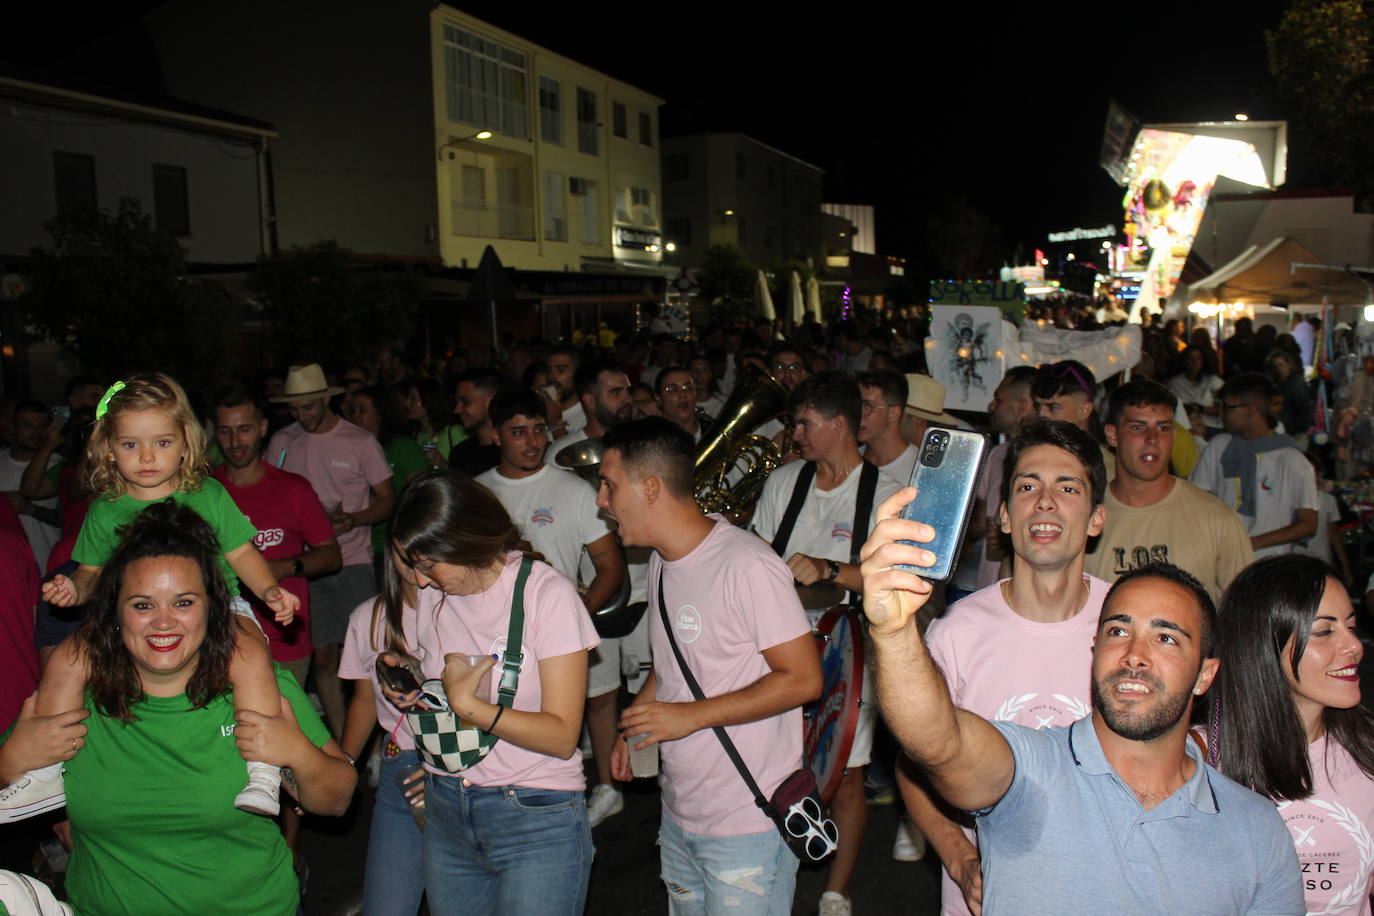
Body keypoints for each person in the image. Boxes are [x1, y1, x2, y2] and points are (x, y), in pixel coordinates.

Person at [860, 507, 1305, 913]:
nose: (1134, 654)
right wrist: (895, 632)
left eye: (1166, 638)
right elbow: (940, 743)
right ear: (1094, 651)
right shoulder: (1030, 768)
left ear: (1206, 675)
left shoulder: (1256, 832)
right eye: (1117, 630)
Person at [0, 501, 355, 915]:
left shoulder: (255, 684)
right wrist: (9, 761)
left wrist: (297, 753)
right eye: (143, 605)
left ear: (212, 607)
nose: (164, 623)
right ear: (115, 612)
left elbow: (337, 800)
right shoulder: (73, 690)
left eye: (184, 603)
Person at [8, 374, 300, 823]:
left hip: (217, 607)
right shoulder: (106, 507)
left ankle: (262, 769)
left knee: (250, 653)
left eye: (162, 442)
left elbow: (241, 552)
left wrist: (269, 591)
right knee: (66, 659)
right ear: (108, 448)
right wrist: (73, 590)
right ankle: (48, 770)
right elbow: (91, 572)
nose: (147, 457)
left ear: (186, 442)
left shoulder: (208, 494)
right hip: (130, 618)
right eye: (130, 445)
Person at [600, 418, 821, 914]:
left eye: (610, 485)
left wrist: (688, 717)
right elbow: (676, 662)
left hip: (747, 820)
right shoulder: (661, 559)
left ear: (650, 488)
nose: (601, 500)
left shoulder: (747, 565)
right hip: (681, 812)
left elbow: (804, 679)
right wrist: (637, 718)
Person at [896, 419, 1111, 916]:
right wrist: (959, 857)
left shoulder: (1127, 628)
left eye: (1068, 487)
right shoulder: (954, 632)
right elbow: (913, 763)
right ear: (1006, 518)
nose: (1045, 501)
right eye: (1028, 486)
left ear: (1096, 517)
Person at [388, 470, 600, 915]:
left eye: (429, 566)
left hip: (534, 815)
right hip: (447, 806)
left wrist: (469, 706)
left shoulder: (547, 595)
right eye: (415, 567)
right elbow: (442, 679)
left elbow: (563, 736)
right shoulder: (436, 595)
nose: (422, 582)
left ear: (464, 540)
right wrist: (408, 678)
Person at [750, 372, 902, 915]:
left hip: (849, 647)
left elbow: (898, 577)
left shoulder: (885, 495)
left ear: (839, 426)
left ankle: (837, 888)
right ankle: (780, 858)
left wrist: (830, 569)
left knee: (844, 773)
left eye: (804, 423)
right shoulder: (785, 481)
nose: (795, 434)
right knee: (776, 762)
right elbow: (759, 557)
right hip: (783, 644)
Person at [475, 388, 631, 829]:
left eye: (539, 429)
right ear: (494, 436)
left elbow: (609, 565)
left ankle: (607, 789)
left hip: (566, 626)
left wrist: (580, 611)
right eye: (518, 432)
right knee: (518, 716)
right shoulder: (479, 493)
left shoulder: (575, 489)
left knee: (600, 701)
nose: (532, 441)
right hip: (499, 633)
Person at [1211, 555, 1374, 915]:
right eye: (1324, 631)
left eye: (1351, 625)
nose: (1355, 646)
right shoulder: (1204, 758)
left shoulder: (1367, 751)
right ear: (1265, 647)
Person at [268, 363, 395, 735]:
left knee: (368, 658)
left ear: (325, 400)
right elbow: (270, 491)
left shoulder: (359, 441)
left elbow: (387, 499)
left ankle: (375, 740)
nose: (301, 415)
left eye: (308, 406)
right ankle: (342, 741)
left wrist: (355, 520)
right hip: (305, 564)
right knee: (322, 655)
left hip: (353, 561)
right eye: (294, 408)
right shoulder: (282, 442)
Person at [212, 384, 342, 689]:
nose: (235, 441)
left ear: (262, 428)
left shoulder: (293, 489)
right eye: (225, 431)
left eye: (243, 429)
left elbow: (331, 554)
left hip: (284, 639)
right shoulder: (206, 492)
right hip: (219, 640)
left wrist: (285, 567)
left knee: (286, 729)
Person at [1085, 379, 1253, 600]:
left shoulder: (1217, 519)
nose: (1152, 439)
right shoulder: (1083, 519)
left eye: (1163, 428)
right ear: (1113, 435)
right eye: (1137, 427)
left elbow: (1249, 609)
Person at [339, 547, 428, 916]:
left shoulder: (474, 611)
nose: (418, 557)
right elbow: (363, 699)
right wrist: (341, 766)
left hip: (474, 769)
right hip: (402, 766)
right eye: (407, 547)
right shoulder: (369, 616)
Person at [1190, 372, 1319, 558]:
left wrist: (1253, 543)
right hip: (1220, 558)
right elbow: (1197, 499)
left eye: (1227, 407)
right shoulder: (1219, 446)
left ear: (1251, 410)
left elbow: (1308, 523)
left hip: (1269, 564)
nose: (1221, 413)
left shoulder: (1292, 460)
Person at [975, 366, 1037, 589]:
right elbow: (979, 521)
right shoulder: (997, 454)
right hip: (986, 592)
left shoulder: (1048, 461)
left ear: (1021, 407)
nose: (991, 407)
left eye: (998, 399)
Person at [0, 400, 62, 570]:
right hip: (9, 570)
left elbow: (69, 519)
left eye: (42, 426)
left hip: (48, 567)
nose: (36, 433)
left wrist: (30, 509)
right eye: (27, 426)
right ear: (12, 427)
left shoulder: (59, 466)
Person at [1031, 360, 1115, 478]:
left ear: (1084, 410)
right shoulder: (1031, 455)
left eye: (1053, 407)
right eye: (1038, 406)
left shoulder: (1104, 469)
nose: (1041, 415)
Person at [857, 369, 917, 486]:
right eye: (856, 405)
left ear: (893, 414)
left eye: (868, 406)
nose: (858, 414)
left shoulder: (916, 469)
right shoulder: (849, 462)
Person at [447, 369, 502, 476]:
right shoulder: (460, 454)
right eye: (457, 402)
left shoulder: (511, 452)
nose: (457, 410)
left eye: (465, 402)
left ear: (490, 402)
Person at [1167, 345, 1224, 431]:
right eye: (1191, 358)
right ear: (1184, 361)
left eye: (1198, 358)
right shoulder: (1175, 383)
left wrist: (1201, 409)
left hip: (1212, 427)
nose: (1195, 362)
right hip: (1184, 428)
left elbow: (1224, 409)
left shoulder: (1214, 381)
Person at [656, 366, 715, 445]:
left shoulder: (712, 432)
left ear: (695, 394)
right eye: (673, 389)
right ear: (658, 398)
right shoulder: (653, 438)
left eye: (688, 388)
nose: (683, 394)